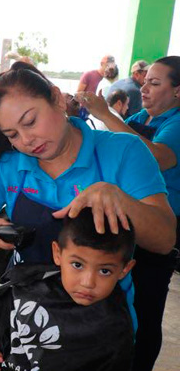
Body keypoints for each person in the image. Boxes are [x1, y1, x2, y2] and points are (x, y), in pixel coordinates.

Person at [0, 62, 175, 362]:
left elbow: (165, 239)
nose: (26, 140)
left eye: (31, 121)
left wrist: (119, 200)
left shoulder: (122, 152)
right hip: (24, 302)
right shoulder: (11, 165)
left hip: (94, 321)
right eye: (12, 134)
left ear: (57, 99)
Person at [77, 55, 180, 370]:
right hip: (126, 218)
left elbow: (157, 157)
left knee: (146, 306)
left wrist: (105, 114)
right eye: (145, 81)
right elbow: (113, 143)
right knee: (123, 302)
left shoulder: (176, 123)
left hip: (158, 224)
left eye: (154, 83)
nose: (144, 88)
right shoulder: (141, 116)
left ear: (178, 91)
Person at [0, 208, 136, 371]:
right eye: (77, 265)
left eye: (104, 271)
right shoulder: (24, 289)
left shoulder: (115, 328)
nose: (87, 282)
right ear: (57, 254)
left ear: (124, 269)